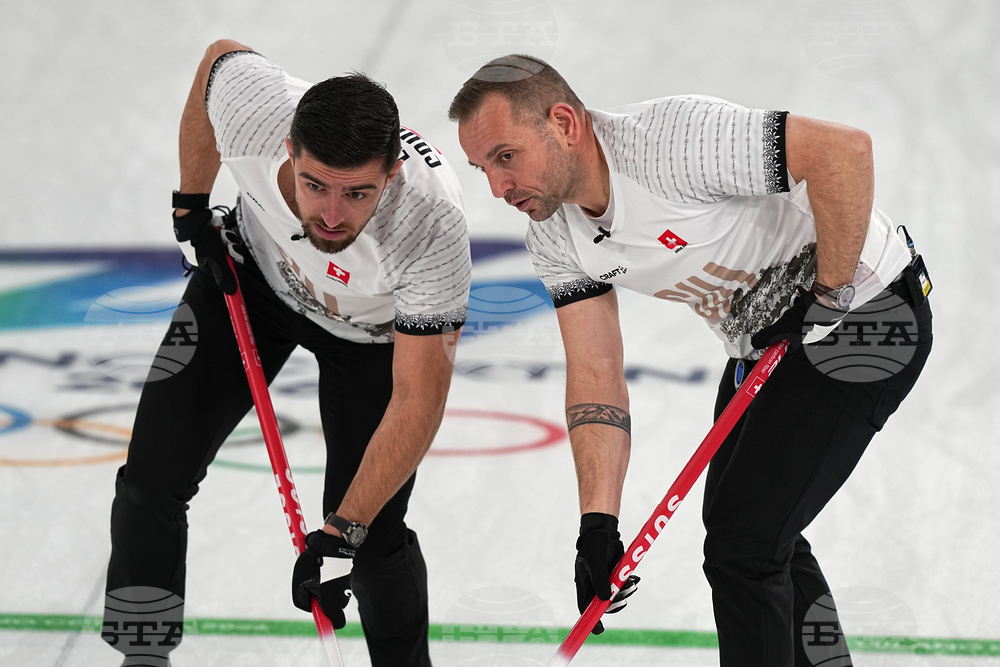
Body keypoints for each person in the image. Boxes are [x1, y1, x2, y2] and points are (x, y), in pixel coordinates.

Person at [449, 54, 932, 666]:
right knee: (754, 527)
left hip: (865, 316)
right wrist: (597, 523)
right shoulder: (555, 237)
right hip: (766, 346)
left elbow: (845, 153)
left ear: (564, 123)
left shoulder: (672, 143)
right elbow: (596, 375)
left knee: (744, 545)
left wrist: (827, 297)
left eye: (506, 157)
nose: (497, 187)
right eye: (482, 168)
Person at [102, 40, 471, 666]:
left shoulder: (429, 226)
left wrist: (343, 529)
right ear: (290, 150)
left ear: (392, 175)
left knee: (374, 537)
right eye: (314, 184)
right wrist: (191, 201)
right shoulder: (256, 112)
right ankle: (144, 656)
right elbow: (217, 58)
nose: (330, 215)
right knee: (149, 481)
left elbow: (419, 398)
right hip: (251, 282)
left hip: (371, 339)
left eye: (357, 194)